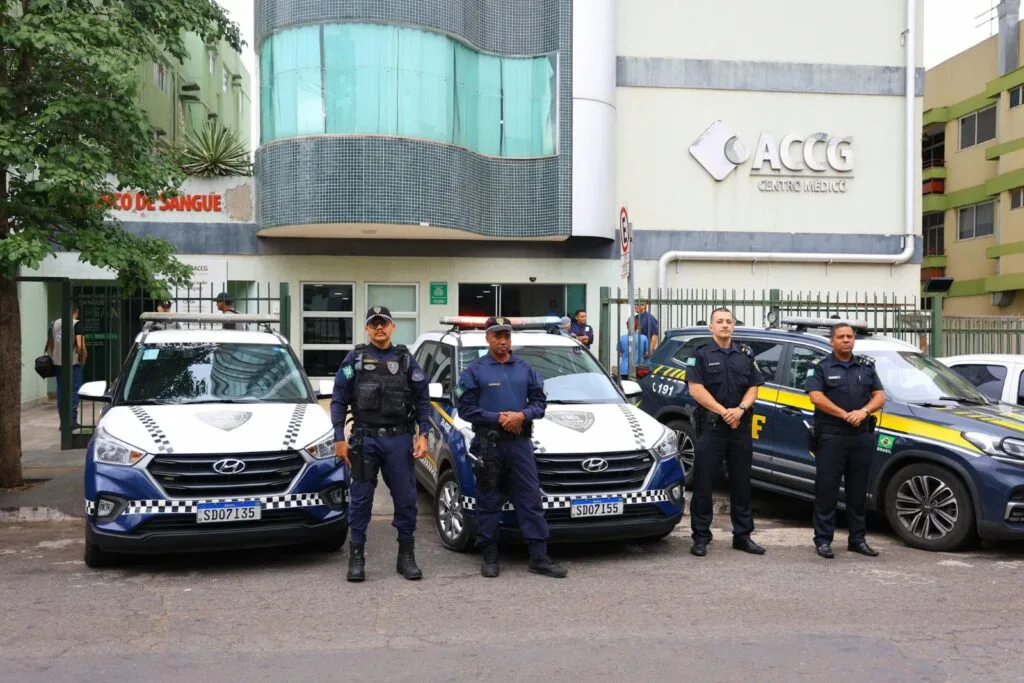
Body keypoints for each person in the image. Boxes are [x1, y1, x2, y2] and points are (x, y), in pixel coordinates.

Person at [456, 316, 568, 579]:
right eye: (497, 336)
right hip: (489, 446)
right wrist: (499, 418)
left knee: (530, 500)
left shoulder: (525, 368)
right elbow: (465, 409)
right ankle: (489, 556)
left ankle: (539, 557)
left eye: (506, 336)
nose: (503, 341)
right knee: (488, 502)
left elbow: (540, 404)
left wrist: (522, 415)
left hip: (520, 446)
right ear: (488, 339)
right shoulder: (474, 371)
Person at [330, 305, 432, 582]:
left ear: (392, 327)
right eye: (373, 323)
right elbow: (339, 399)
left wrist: (423, 435)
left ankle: (406, 556)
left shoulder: (406, 360)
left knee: (406, 499)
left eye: (383, 323)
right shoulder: (354, 360)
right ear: (366, 328)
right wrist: (339, 438)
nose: (379, 328)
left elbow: (423, 399)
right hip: (365, 440)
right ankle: (356, 557)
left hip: (399, 440)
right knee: (361, 500)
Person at [685, 307, 765, 557]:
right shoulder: (700, 354)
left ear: (733, 326)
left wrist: (740, 410)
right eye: (719, 321)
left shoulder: (745, 354)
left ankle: (742, 536)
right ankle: (701, 537)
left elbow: (754, 387)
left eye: (729, 321)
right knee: (703, 483)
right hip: (712, 428)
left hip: (740, 427)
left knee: (742, 483)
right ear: (711, 327)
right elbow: (695, 389)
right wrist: (723, 411)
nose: (724, 325)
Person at [805, 323, 886, 559]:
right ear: (832, 341)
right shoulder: (820, 367)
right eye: (840, 337)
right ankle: (823, 540)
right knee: (826, 491)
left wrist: (864, 412)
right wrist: (844, 414)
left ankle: (857, 539)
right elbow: (816, 398)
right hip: (832, 437)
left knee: (858, 492)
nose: (846, 340)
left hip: (861, 436)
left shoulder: (866, 367)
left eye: (849, 336)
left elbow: (879, 395)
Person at [46, 301, 87, 431]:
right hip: (73, 363)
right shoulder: (76, 324)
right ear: (76, 311)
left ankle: (63, 421)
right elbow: (80, 346)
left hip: (58, 364)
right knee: (74, 391)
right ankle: (72, 421)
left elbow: (50, 345)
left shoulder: (54, 324)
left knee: (61, 391)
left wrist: (56, 356)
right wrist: (83, 355)